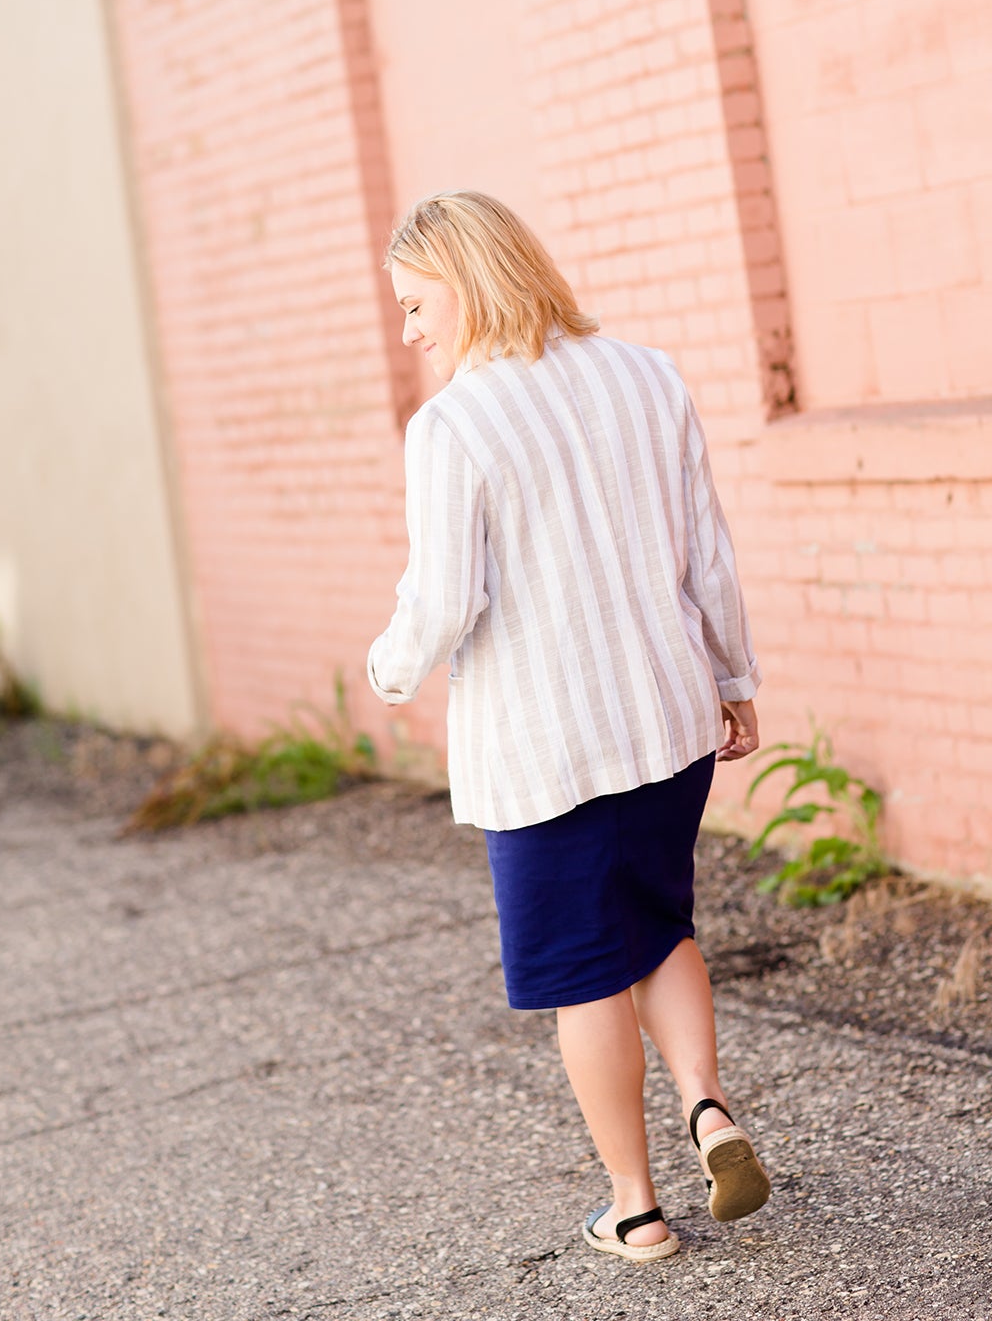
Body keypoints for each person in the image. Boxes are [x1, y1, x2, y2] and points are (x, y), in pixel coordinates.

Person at [367, 190, 770, 1263]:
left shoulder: (455, 424)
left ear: (469, 281)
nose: (409, 332)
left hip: (546, 754)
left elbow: (446, 600)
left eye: (416, 305)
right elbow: (708, 550)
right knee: (660, 926)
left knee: (586, 976)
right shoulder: (648, 375)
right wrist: (733, 675)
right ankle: (710, 1109)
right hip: (667, 719)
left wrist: (389, 666)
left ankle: (635, 1207)